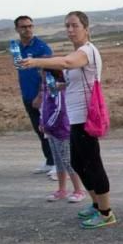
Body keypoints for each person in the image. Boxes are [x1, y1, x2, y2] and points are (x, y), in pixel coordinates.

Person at [19, 11, 115, 229]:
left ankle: (106, 213)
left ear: (86, 28)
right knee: (78, 163)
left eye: (75, 26)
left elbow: (66, 62)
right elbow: (73, 81)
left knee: (93, 164)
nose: (70, 30)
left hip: (85, 118)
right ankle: (96, 203)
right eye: (67, 26)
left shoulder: (86, 52)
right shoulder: (79, 52)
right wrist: (58, 87)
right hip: (74, 117)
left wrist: (35, 61)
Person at [13, 15, 57, 179]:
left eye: (30, 26)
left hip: (42, 97)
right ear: (17, 29)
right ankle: (49, 161)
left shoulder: (41, 47)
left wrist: (40, 95)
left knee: (49, 131)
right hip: (27, 95)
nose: (28, 29)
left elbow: (48, 73)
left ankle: (57, 165)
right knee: (39, 131)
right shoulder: (17, 48)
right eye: (23, 27)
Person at [38, 69, 87, 203]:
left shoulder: (57, 89)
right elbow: (43, 107)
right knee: (58, 161)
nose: (39, 74)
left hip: (61, 130)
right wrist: (42, 122)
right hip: (51, 130)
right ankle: (62, 189)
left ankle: (78, 190)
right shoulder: (46, 87)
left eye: (42, 72)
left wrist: (48, 124)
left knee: (68, 160)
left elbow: (59, 109)